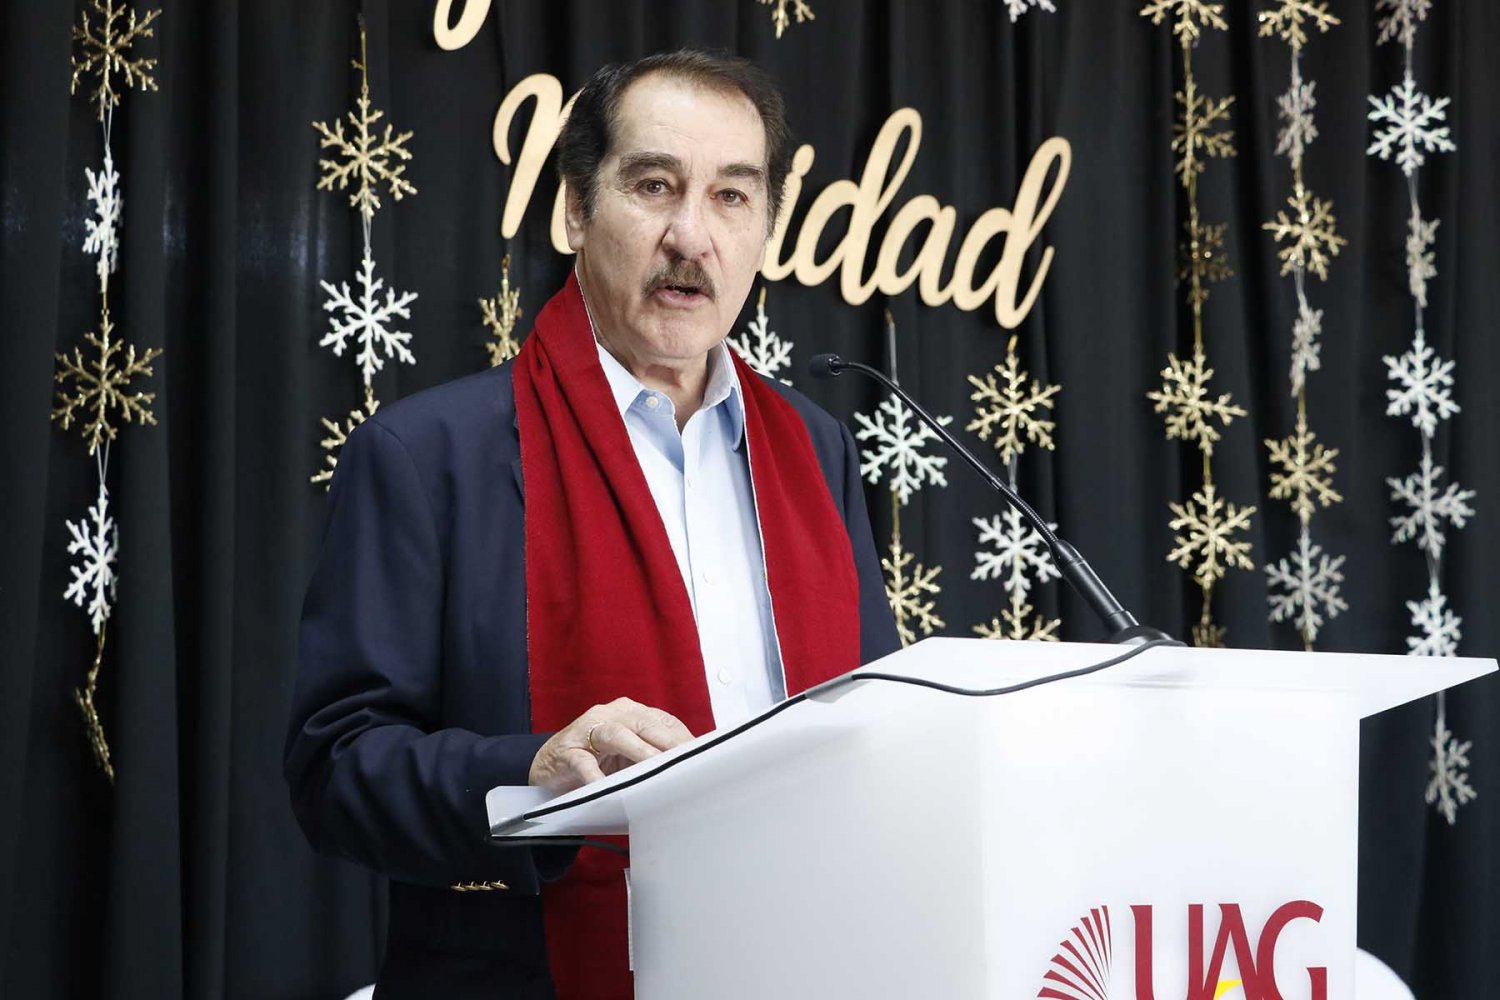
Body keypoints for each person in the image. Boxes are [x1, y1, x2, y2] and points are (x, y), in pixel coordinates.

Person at [285, 49, 899, 998]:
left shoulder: (817, 449)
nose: (692, 236)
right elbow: (335, 768)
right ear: (576, 209)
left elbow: (878, 729)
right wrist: (530, 773)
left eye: (732, 197)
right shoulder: (425, 456)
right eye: (655, 186)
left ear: (767, 230)